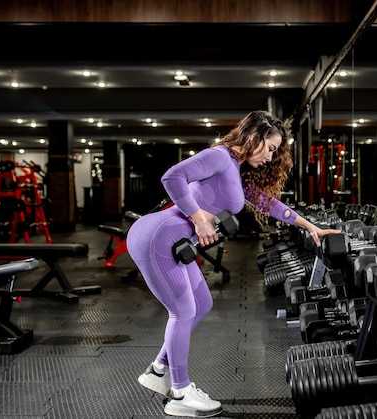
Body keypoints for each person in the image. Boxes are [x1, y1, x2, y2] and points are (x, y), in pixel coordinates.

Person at [126, 110, 340, 418]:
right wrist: (199, 220)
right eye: (270, 148)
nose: (271, 156)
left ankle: (159, 370)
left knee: (201, 303)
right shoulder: (220, 156)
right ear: (254, 137)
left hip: (170, 238)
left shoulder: (234, 169)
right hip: (158, 235)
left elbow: (268, 204)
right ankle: (180, 394)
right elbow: (173, 176)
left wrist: (310, 227)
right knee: (183, 311)